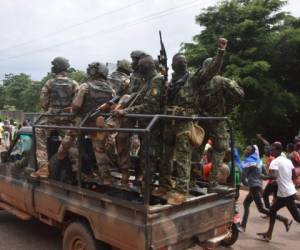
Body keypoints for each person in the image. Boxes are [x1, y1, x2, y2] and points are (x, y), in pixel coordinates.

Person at [152, 38, 228, 205]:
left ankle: (181, 190)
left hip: (184, 124)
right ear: (172, 65)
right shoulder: (167, 82)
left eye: (184, 61)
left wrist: (220, 52)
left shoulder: (193, 79)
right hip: (168, 123)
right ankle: (164, 185)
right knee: (165, 157)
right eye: (178, 61)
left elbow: (211, 70)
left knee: (183, 158)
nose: (182, 62)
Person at [112, 55, 163, 187]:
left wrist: (125, 111)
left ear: (145, 67)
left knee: (149, 156)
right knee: (144, 155)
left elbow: (149, 106)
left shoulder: (156, 80)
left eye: (140, 66)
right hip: (144, 123)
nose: (137, 68)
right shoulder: (147, 80)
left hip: (153, 125)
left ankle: (147, 188)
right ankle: (143, 184)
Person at [31, 57, 79, 178]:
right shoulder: (74, 83)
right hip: (67, 118)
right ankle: (78, 169)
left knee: (39, 132)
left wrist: (50, 109)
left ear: (56, 67)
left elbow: (43, 102)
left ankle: (43, 169)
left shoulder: (50, 82)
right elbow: (78, 102)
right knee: (70, 142)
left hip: (51, 117)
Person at [72, 62, 115, 183]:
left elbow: (75, 107)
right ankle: (106, 176)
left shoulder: (85, 86)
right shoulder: (111, 89)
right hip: (99, 124)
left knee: (71, 145)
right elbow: (113, 108)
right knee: (100, 151)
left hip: (84, 123)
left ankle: (80, 172)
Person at [239, 145, 290, 232]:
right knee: (246, 203)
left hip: (254, 188)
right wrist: (259, 180)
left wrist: (249, 184)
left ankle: (284, 219)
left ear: (252, 152)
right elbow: (265, 174)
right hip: (257, 186)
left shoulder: (248, 162)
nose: (245, 150)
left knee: (261, 209)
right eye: (246, 149)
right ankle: (243, 226)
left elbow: (243, 179)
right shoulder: (259, 161)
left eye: (248, 150)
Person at [258, 142, 298, 242]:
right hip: (288, 191)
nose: (270, 151)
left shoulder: (275, 162)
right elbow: (293, 176)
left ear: (277, 150)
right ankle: (269, 234)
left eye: (272, 149)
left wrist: (263, 177)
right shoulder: (287, 160)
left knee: (297, 217)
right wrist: (280, 180)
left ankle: (270, 233)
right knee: (272, 210)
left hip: (285, 193)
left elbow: (274, 176)